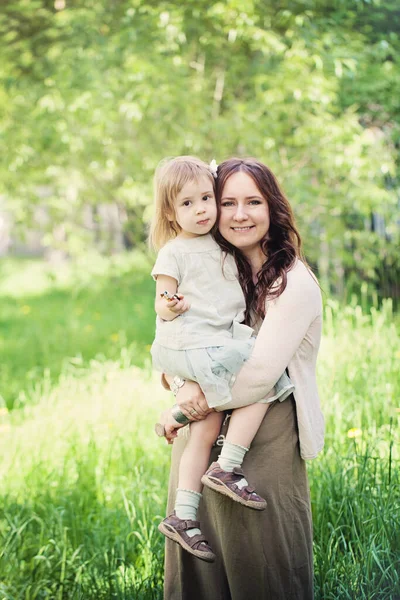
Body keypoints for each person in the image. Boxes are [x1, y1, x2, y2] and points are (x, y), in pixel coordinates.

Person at [157, 157, 324, 600]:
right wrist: (180, 384)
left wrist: (182, 407)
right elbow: (173, 340)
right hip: (202, 436)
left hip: (262, 443)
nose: (238, 214)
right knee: (200, 575)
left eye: (253, 201)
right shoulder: (209, 267)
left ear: (273, 208)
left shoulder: (294, 282)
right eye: (227, 201)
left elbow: (259, 376)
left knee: (263, 569)